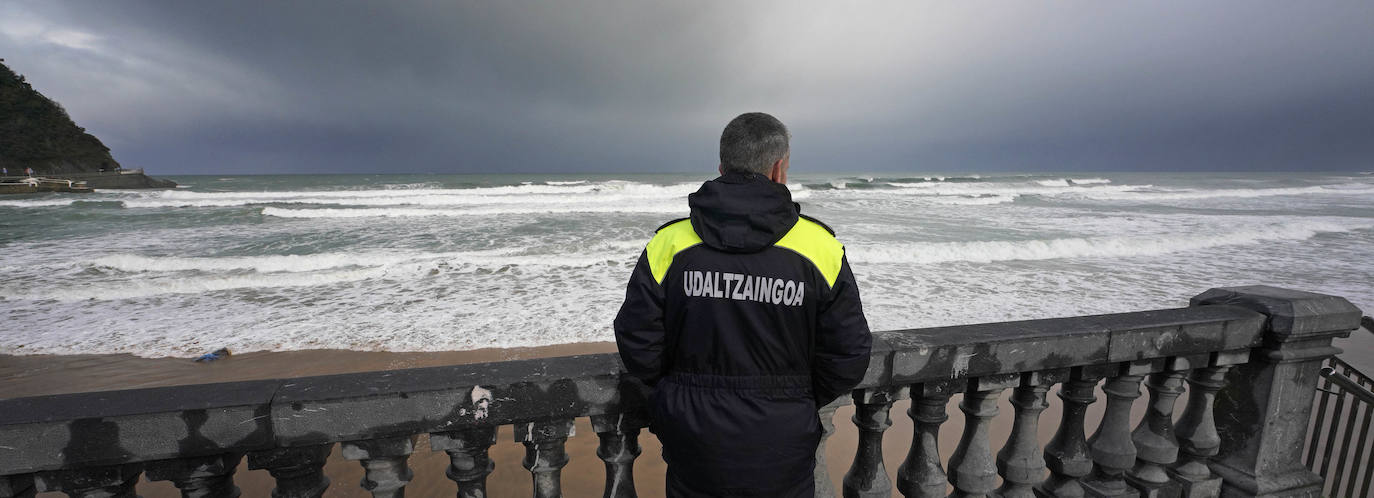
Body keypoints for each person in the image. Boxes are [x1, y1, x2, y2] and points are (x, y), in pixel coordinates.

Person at [615, 112, 872, 497]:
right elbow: (848, 354)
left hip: (691, 433)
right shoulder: (820, 248)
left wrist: (675, 393)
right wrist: (795, 397)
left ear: (721, 166)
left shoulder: (670, 244)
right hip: (784, 436)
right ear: (779, 168)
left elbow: (637, 338)